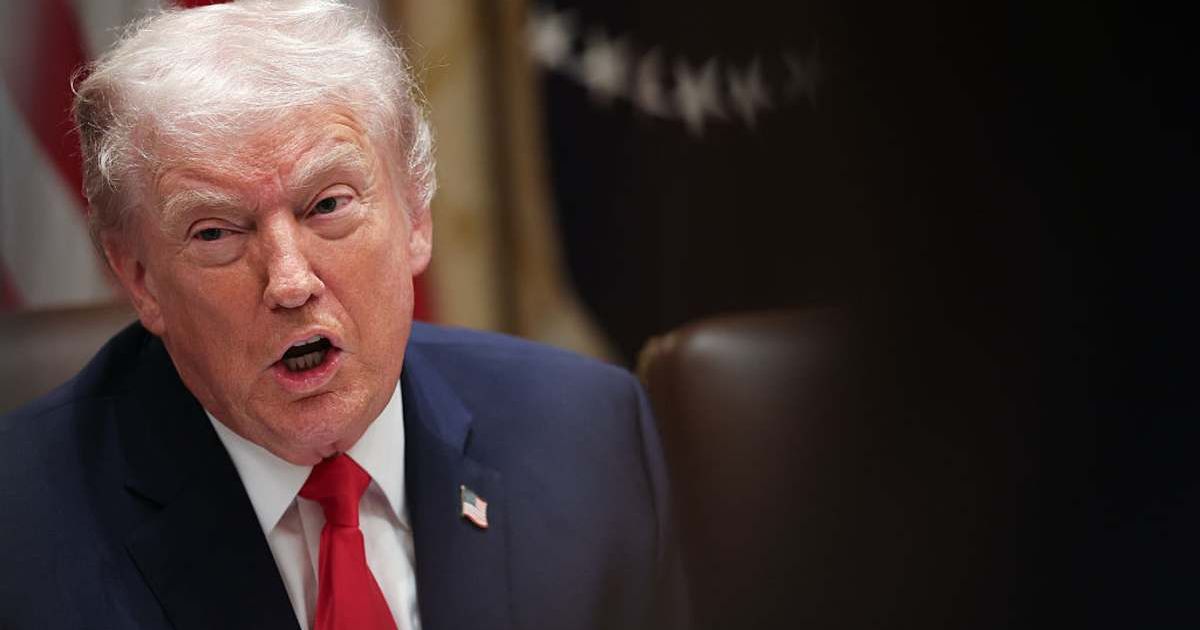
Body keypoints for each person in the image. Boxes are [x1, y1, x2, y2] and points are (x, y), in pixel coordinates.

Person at [0, 1, 687, 629]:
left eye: (327, 206)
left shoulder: (591, 433)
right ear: (140, 277)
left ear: (416, 216)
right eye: (216, 234)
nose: (291, 282)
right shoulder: (21, 532)